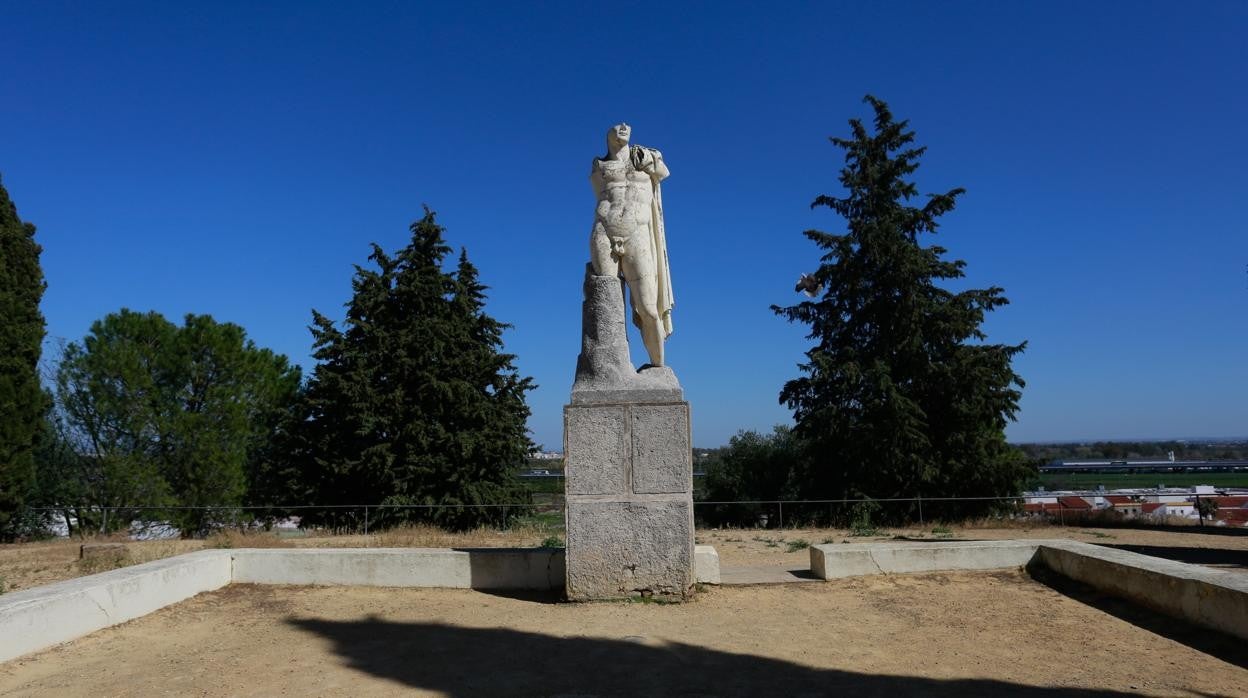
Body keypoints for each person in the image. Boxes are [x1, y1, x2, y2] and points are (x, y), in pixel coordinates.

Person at [588, 123, 673, 367]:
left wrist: (648, 158)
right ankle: (612, 367)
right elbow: (598, 193)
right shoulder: (599, 165)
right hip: (604, 230)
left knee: (648, 308)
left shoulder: (645, 157)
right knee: (607, 301)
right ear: (607, 135)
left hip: (637, 232)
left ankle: (658, 367)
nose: (623, 126)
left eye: (627, 126)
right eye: (616, 126)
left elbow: (664, 173)